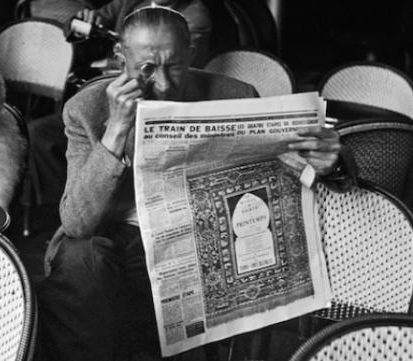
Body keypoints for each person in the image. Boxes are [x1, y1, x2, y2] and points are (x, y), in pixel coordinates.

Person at [38, 7, 351, 361]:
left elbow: (288, 168)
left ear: (191, 52)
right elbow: (77, 222)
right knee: (82, 259)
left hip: (207, 236)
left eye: (174, 65)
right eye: (147, 69)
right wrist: (115, 132)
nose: (164, 83)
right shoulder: (87, 109)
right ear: (120, 57)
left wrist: (329, 162)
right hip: (119, 236)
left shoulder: (235, 96)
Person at [72, 0, 213, 67]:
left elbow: (172, 69)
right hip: (108, 80)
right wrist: (82, 21)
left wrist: (112, 63)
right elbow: (78, 23)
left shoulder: (195, 18)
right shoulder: (130, 2)